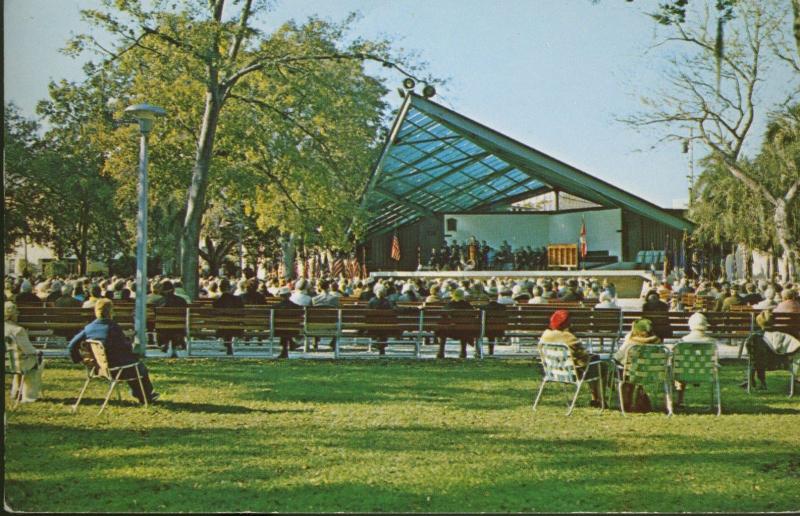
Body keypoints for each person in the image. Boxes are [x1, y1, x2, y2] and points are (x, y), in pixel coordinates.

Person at [67, 299, 158, 404]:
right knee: (138, 366)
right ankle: (145, 396)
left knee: (130, 364)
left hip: (97, 368)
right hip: (114, 369)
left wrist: (79, 360)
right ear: (111, 312)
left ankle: (142, 395)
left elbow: (71, 346)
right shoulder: (112, 327)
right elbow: (125, 348)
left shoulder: (89, 328)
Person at [539, 310, 603, 407]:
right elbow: (584, 357)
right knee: (599, 365)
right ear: (566, 323)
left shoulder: (545, 336)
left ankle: (596, 398)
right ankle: (599, 398)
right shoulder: (568, 338)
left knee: (594, 365)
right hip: (571, 374)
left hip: (553, 372)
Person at [614, 318, 662, 412]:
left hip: (630, 374)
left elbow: (617, 357)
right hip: (651, 374)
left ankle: (626, 402)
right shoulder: (658, 343)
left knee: (624, 372)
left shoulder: (630, 343)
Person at [744, 310, 800, 390]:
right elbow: (796, 347)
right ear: (773, 322)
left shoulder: (753, 338)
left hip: (759, 363)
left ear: (758, 323)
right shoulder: (783, 336)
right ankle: (793, 384)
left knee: (758, 357)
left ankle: (757, 382)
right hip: (782, 364)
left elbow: (748, 354)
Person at [675, 312, 718, 409]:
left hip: (684, 373)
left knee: (678, 370)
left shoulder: (683, 341)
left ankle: (679, 401)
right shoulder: (712, 342)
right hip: (707, 373)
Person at [4, 301, 45, 403]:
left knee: (19, 362)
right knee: (37, 362)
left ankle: (15, 392)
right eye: (16, 312)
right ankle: (29, 396)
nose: (18, 314)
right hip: (20, 363)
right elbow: (29, 350)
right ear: (11, 315)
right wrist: (38, 352)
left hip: (8, 362)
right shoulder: (18, 330)